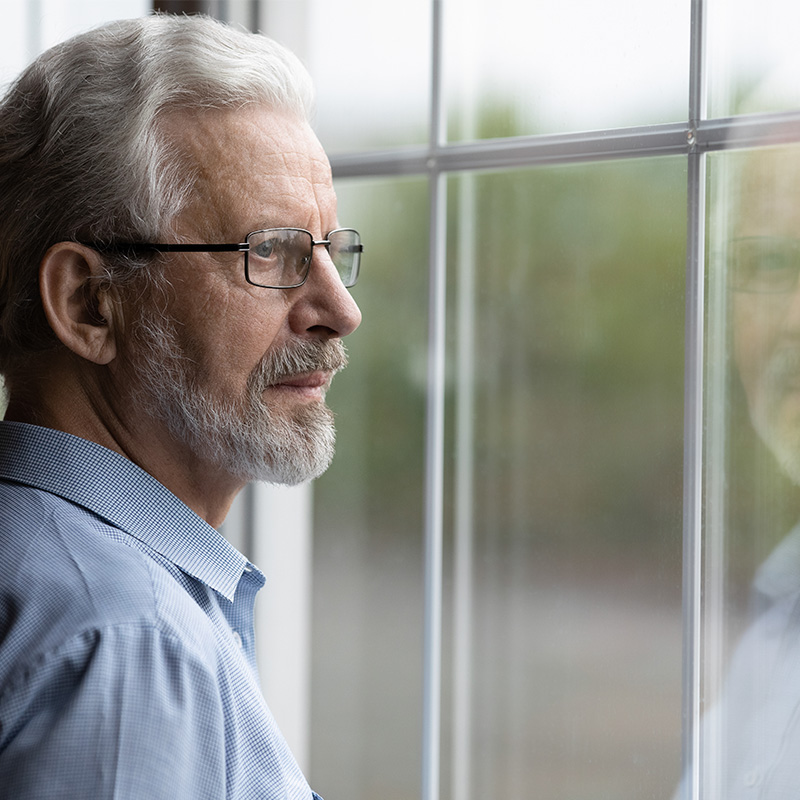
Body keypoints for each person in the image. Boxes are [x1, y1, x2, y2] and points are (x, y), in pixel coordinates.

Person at [0, 13, 361, 800]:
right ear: (90, 303)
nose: (339, 310)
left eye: (332, 252)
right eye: (270, 251)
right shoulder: (131, 639)